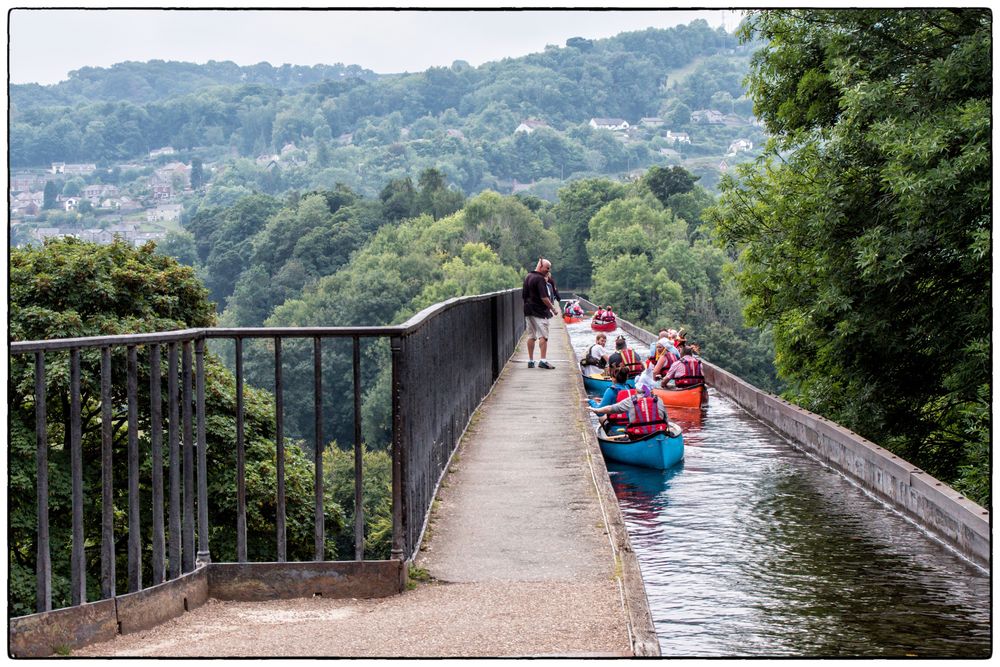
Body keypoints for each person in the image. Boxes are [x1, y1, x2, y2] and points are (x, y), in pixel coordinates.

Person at [589, 384, 670, 438]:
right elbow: (666, 420)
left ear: (636, 391)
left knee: (602, 418)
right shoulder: (658, 399)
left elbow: (611, 409)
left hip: (637, 436)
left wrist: (597, 410)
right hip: (658, 433)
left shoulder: (631, 400)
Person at [521, 257, 559, 369]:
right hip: (539, 311)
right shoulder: (540, 279)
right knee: (543, 335)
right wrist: (553, 309)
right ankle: (543, 360)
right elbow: (544, 297)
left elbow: (524, 295)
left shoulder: (528, 276)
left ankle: (531, 361)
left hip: (528, 310)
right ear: (540, 266)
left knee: (531, 335)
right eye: (547, 268)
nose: (548, 270)